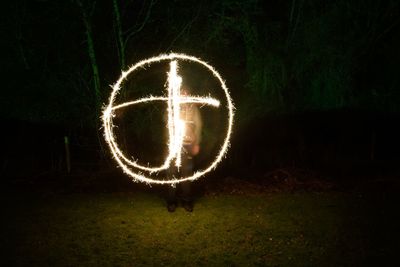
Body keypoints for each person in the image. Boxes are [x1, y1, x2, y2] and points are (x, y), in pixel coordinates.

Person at [166, 87, 202, 212]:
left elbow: (198, 125)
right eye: (181, 93)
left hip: (188, 145)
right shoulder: (172, 108)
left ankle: (187, 202)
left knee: (186, 175)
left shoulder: (193, 108)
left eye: (186, 94)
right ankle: (171, 202)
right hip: (174, 144)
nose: (184, 95)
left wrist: (196, 143)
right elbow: (166, 122)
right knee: (172, 173)